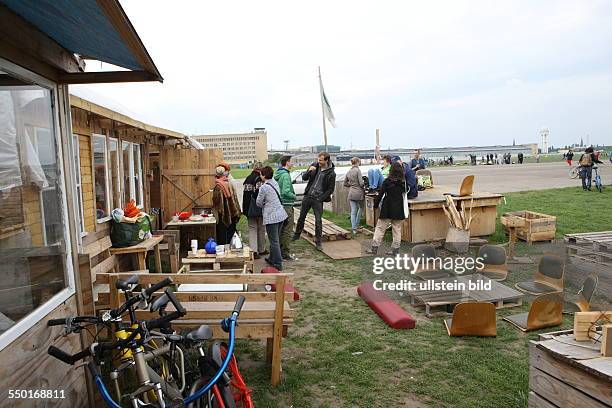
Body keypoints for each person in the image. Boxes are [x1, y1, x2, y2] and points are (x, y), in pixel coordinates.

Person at [293, 152, 336, 251]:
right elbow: (304, 178)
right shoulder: (314, 166)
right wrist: (308, 171)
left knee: (318, 221)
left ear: (326, 160)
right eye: (318, 159)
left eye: (320, 160)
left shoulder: (331, 173)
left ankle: (318, 242)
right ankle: (297, 234)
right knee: (301, 217)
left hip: (318, 199)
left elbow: (330, 189)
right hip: (308, 196)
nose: (318, 162)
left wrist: (321, 198)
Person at [366, 162, 406, 256]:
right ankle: (395, 250)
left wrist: (375, 206)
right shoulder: (403, 183)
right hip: (398, 208)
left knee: (380, 229)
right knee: (397, 230)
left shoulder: (387, 181)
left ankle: (374, 249)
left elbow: (380, 194)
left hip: (387, 207)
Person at [256, 166, 288, 270]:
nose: (260, 176)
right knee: (276, 239)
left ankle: (278, 263)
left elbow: (258, 203)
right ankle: (272, 258)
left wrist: (265, 202)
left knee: (273, 241)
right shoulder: (274, 182)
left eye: (261, 174)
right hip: (281, 215)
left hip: (271, 217)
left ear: (264, 175)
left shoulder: (263, 187)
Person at [274, 155, 297, 261]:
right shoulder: (286, 176)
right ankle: (285, 253)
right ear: (287, 163)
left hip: (280, 204)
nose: (293, 163)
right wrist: (294, 196)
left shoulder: (279, 174)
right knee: (287, 230)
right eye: (292, 161)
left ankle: (279, 252)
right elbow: (285, 191)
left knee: (281, 229)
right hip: (287, 205)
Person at [212, 164, 241, 245]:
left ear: (216, 175)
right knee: (230, 236)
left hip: (224, 215)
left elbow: (217, 203)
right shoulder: (229, 183)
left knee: (223, 238)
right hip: (233, 213)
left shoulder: (218, 186)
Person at [242, 162, 267, 259]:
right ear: (261, 169)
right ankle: (261, 249)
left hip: (249, 209)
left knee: (252, 229)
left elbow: (245, 196)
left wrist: (245, 210)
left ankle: (254, 251)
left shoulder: (248, 178)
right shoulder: (260, 180)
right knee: (261, 229)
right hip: (259, 209)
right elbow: (261, 195)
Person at [344, 157, 365, 235]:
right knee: (361, 208)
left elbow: (345, 183)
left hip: (351, 193)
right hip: (359, 193)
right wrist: (363, 181)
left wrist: (352, 184)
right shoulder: (358, 170)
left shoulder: (348, 171)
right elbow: (361, 183)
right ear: (357, 162)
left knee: (353, 212)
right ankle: (356, 224)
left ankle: (354, 229)